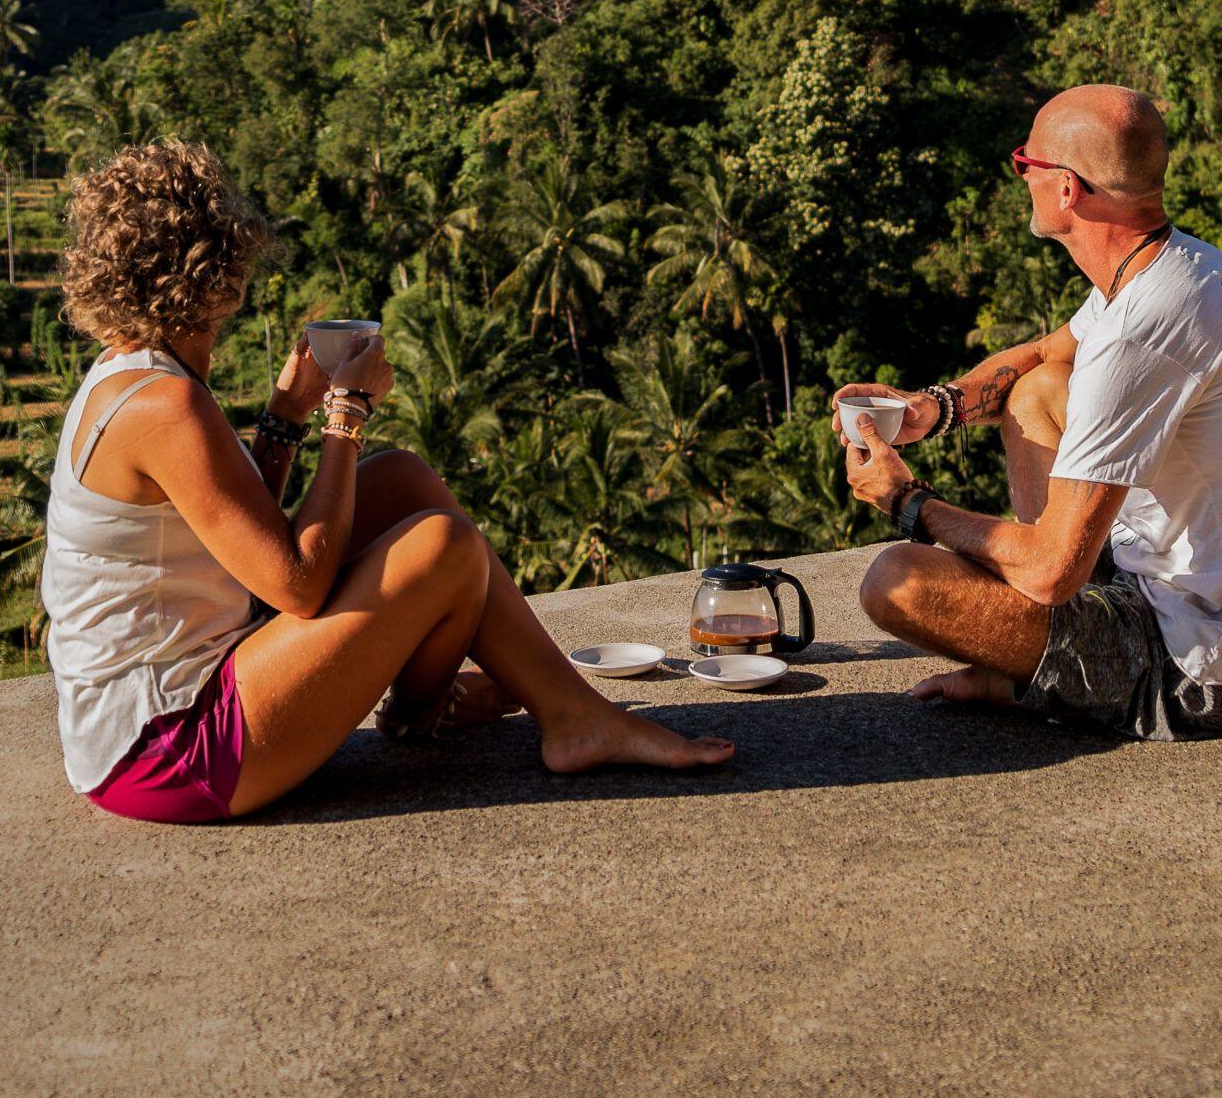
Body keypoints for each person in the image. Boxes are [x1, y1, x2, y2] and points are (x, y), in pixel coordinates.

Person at [42, 139, 731, 822]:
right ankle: (523, 716)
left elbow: (233, 532)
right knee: (444, 549)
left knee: (401, 479)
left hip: (175, 700)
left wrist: (286, 414)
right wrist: (345, 414)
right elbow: (296, 584)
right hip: (171, 749)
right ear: (224, 274)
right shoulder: (167, 405)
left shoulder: (133, 370)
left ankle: (534, 711)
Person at [833, 85, 1222, 740]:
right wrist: (936, 409)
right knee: (1038, 392)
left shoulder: (1142, 331)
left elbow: (1051, 572)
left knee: (895, 582)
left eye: (1026, 165)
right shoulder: (1176, 270)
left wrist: (908, 503)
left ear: (1066, 189)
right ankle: (1039, 657)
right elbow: (1047, 353)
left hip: (1207, 670)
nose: (1021, 177)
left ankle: (1037, 674)